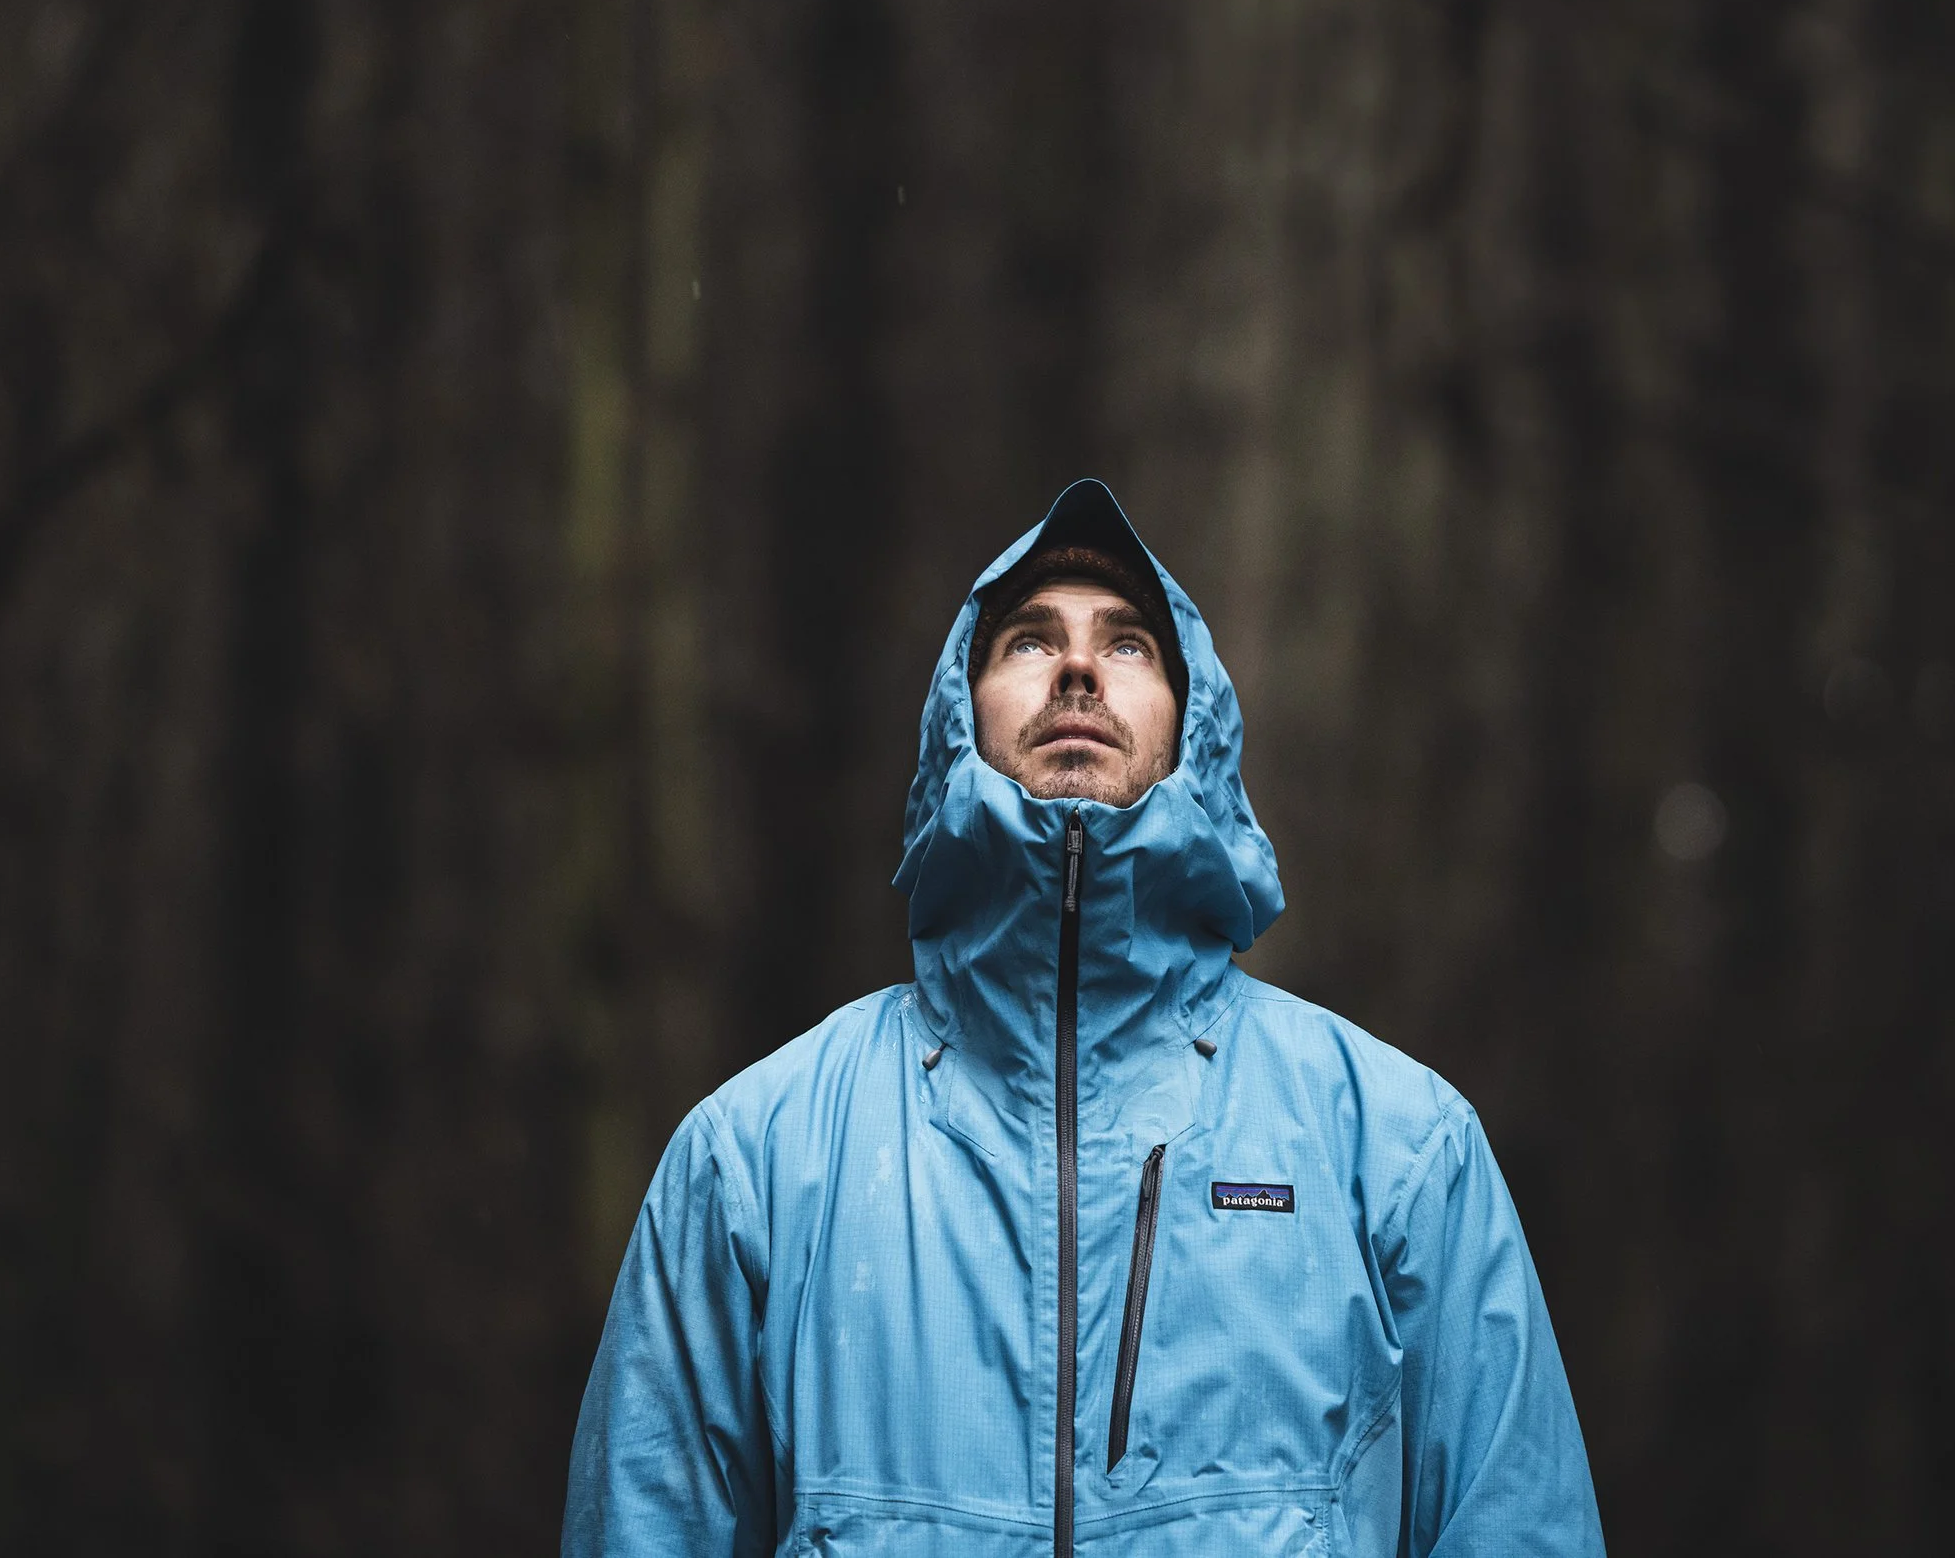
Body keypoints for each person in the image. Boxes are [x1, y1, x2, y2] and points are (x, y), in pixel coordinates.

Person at [563, 481, 1607, 1557]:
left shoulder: (1395, 1146)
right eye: (1027, 640)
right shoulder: (755, 1160)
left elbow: (1519, 1528)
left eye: (1127, 646)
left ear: (1191, 726)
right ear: (955, 721)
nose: (1074, 667)